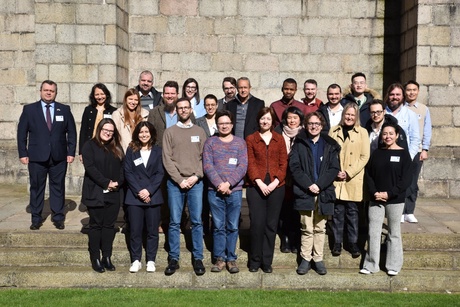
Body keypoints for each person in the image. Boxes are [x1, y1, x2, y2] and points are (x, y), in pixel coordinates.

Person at [17, 80, 77, 230]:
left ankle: (58, 217)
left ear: (56, 93)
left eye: (52, 90)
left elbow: (72, 133)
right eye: (46, 90)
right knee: (37, 187)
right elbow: (21, 134)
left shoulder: (64, 109)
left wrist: (71, 152)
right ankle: (36, 218)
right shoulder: (29, 110)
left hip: (59, 157)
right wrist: (23, 153)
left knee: (58, 187)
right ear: (40, 91)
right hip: (37, 157)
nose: (49, 93)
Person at [289, 112, 340, 275]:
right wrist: (309, 185)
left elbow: (334, 168)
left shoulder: (330, 145)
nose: (313, 126)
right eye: (310, 123)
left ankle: (318, 259)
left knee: (320, 227)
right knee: (306, 227)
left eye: (317, 124)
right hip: (306, 192)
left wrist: (319, 185)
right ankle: (305, 258)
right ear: (305, 125)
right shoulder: (299, 143)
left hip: (324, 192)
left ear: (322, 125)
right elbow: (294, 167)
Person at [162, 98, 207, 276]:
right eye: (180, 108)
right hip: (175, 183)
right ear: (177, 110)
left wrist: (196, 176)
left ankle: (198, 258)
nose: (183, 110)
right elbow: (167, 159)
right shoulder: (169, 132)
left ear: (191, 109)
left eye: (186, 107)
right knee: (174, 222)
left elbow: (205, 157)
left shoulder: (200, 131)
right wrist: (180, 180)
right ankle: (173, 258)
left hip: (196, 182)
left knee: (196, 221)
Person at [361, 123, 412, 276]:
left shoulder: (404, 154)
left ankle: (393, 265)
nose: (387, 136)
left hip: (395, 199)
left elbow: (406, 180)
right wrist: (374, 192)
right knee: (374, 232)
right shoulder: (376, 153)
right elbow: (368, 174)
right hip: (376, 198)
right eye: (384, 134)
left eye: (391, 133)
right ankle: (371, 265)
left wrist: (389, 194)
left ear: (396, 135)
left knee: (394, 232)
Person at [203, 110, 248, 273]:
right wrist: (219, 184)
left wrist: (228, 183)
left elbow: (243, 166)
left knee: (233, 226)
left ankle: (231, 259)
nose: (224, 126)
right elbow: (207, 165)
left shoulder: (239, 143)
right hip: (214, 191)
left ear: (232, 124)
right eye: (221, 123)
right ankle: (219, 258)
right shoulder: (210, 142)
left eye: (227, 123)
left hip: (234, 191)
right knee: (218, 226)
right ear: (217, 124)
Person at [246, 107, 287, 273]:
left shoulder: (279, 139)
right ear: (258, 120)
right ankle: (255, 260)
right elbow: (250, 162)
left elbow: (283, 163)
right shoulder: (251, 139)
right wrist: (259, 183)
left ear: (273, 122)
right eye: (262, 118)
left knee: (271, 225)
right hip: (256, 186)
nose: (265, 121)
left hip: (276, 186)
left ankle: (267, 261)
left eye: (268, 119)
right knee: (257, 224)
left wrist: (275, 182)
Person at [81, 118, 124, 273]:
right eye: (105, 130)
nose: (108, 133)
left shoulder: (116, 147)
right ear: (99, 130)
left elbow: (122, 167)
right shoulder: (89, 146)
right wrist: (107, 183)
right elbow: (91, 169)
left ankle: (107, 256)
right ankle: (95, 258)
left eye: (111, 131)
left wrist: (118, 182)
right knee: (96, 226)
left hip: (113, 193)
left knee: (108, 226)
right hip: (96, 192)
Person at [329, 102, 370, 258]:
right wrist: (335, 171)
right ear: (343, 115)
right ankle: (337, 243)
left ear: (356, 117)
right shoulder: (334, 131)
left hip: (352, 179)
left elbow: (364, 156)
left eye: (352, 115)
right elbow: (329, 154)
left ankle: (352, 243)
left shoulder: (363, 132)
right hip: (337, 179)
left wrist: (348, 172)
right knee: (338, 213)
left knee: (353, 213)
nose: (349, 117)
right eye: (347, 114)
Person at [124, 122, 164, 273]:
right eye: (141, 132)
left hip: (153, 196)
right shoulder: (131, 150)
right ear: (137, 134)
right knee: (135, 230)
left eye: (146, 132)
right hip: (135, 197)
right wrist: (140, 191)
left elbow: (160, 173)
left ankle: (151, 260)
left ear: (151, 133)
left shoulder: (158, 151)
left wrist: (149, 191)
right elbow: (128, 172)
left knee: (152, 231)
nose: (144, 135)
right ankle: (136, 260)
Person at [274, 106, 304, 253]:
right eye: (289, 117)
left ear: (300, 120)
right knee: (284, 209)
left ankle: (296, 240)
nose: (292, 121)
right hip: (282, 178)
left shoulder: (305, 133)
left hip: (299, 179)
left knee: (297, 210)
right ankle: (285, 238)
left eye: (295, 118)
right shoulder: (278, 132)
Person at [403, 80, 432, 223]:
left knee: (413, 182)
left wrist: (425, 149)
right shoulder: (400, 108)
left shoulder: (423, 109)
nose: (411, 92)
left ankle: (409, 210)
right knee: (400, 180)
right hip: (402, 150)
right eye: (408, 90)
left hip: (417, 151)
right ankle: (400, 211)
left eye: (414, 90)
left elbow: (427, 130)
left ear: (418, 91)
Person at [148, 81, 196, 148]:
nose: (170, 96)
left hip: (181, 152)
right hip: (161, 153)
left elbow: (193, 131)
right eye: (167, 93)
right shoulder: (154, 112)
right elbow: (150, 135)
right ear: (163, 94)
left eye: (172, 93)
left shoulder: (187, 112)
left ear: (177, 94)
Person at [79, 83, 117, 159]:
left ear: (106, 95)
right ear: (93, 96)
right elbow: (83, 131)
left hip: (107, 146)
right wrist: (81, 152)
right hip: (91, 145)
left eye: (102, 94)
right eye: (97, 94)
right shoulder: (88, 110)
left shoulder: (113, 111)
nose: (100, 97)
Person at [384, 83, 420, 160]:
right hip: (384, 155)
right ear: (388, 96)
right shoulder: (382, 113)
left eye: (398, 94)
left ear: (403, 96)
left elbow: (415, 139)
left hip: (403, 156)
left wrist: (409, 156)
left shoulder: (410, 114)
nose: (395, 97)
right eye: (392, 94)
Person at [112, 88, 149, 152]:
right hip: (124, 151)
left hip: (141, 151)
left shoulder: (145, 114)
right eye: (130, 99)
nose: (133, 102)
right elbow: (115, 136)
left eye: (136, 100)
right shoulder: (117, 114)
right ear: (126, 99)